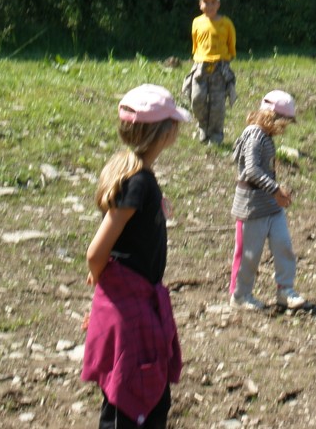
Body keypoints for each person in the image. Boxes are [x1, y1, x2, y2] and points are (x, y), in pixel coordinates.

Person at [81, 84, 190, 429]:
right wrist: (104, 287)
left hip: (138, 299)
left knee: (150, 392)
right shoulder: (138, 181)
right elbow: (96, 252)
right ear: (166, 132)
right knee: (130, 396)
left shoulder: (136, 174)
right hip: (130, 306)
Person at [228, 90, 307, 311]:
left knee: (283, 245)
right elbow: (251, 170)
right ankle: (240, 295)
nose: (285, 129)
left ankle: (285, 289)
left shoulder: (266, 137)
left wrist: (277, 194)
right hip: (251, 206)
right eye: (285, 123)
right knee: (249, 255)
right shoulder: (254, 135)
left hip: (271, 206)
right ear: (274, 118)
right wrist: (274, 189)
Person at [183, 0, 236, 145]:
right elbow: (195, 43)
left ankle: (216, 135)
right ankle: (203, 128)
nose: (209, 5)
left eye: (213, 2)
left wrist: (226, 60)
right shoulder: (196, 22)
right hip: (200, 67)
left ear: (218, 4)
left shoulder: (226, 23)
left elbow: (231, 44)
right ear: (200, 5)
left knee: (217, 104)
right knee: (197, 99)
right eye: (206, 2)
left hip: (219, 69)